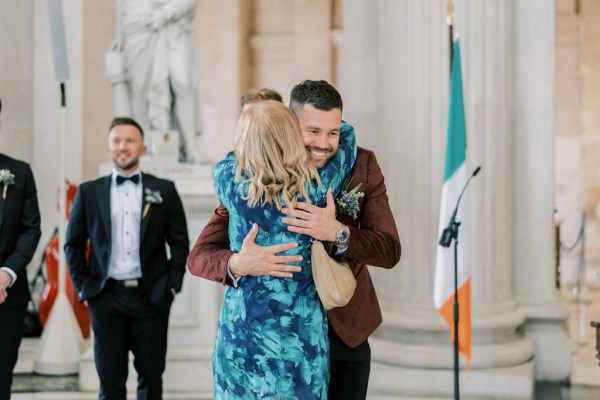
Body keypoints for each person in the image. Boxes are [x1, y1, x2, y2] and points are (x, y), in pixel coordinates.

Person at [187, 80, 401, 399]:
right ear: (288, 126)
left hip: (343, 329)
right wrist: (237, 263)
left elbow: (389, 249)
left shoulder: (361, 164)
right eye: (312, 132)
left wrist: (337, 233)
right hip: (266, 337)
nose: (324, 144)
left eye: (333, 133)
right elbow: (200, 255)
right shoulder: (255, 174)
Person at [211, 100, 357, 399]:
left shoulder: (228, 180)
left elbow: (231, 158)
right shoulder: (317, 188)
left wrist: (253, 129)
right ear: (292, 136)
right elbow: (348, 134)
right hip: (299, 332)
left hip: (242, 327)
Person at [65, 117, 189, 400]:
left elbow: (180, 243)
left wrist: (172, 286)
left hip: (152, 297)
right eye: (117, 141)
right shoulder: (89, 192)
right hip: (106, 297)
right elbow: (72, 245)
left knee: (151, 378)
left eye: (130, 141)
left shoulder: (164, 190)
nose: (123, 147)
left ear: (143, 148)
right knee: (110, 382)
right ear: (109, 148)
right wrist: (85, 289)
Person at [115, 0, 201, 163]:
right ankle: (139, 147)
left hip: (175, 21)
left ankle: (190, 147)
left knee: (183, 82)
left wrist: (166, 13)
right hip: (138, 21)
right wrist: (118, 34)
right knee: (139, 87)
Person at [0, 98, 42, 400]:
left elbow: (31, 229)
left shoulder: (19, 172)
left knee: (1, 378)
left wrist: (5, 275)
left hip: (7, 296)